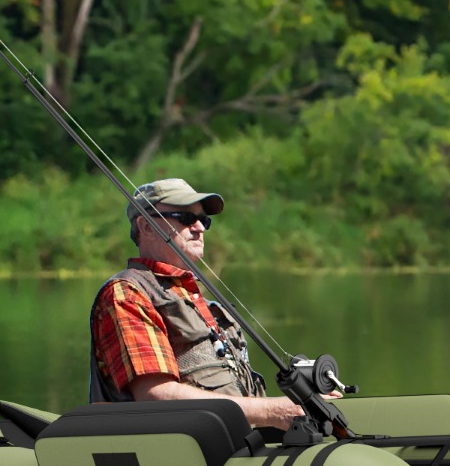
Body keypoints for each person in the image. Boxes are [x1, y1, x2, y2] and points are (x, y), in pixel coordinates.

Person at [90, 178, 307, 431]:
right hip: (177, 456)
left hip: (235, 447)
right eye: (185, 218)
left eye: (203, 220)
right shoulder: (127, 294)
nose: (199, 228)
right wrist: (272, 411)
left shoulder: (198, 299)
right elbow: (154, 395)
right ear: (146, 227)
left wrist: (297, 405)